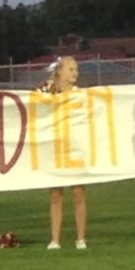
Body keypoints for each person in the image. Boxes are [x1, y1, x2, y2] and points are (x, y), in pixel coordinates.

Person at [41, 57, 88, 250]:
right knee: (55, 194)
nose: (74, 73)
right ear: (59, 71)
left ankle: (80, 238)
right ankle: (55, 239)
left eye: (76, 69)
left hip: (75, 146)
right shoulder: (46, 90)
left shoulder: (81, 94)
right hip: (54, 146)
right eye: (70, 69)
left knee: (78, 193)